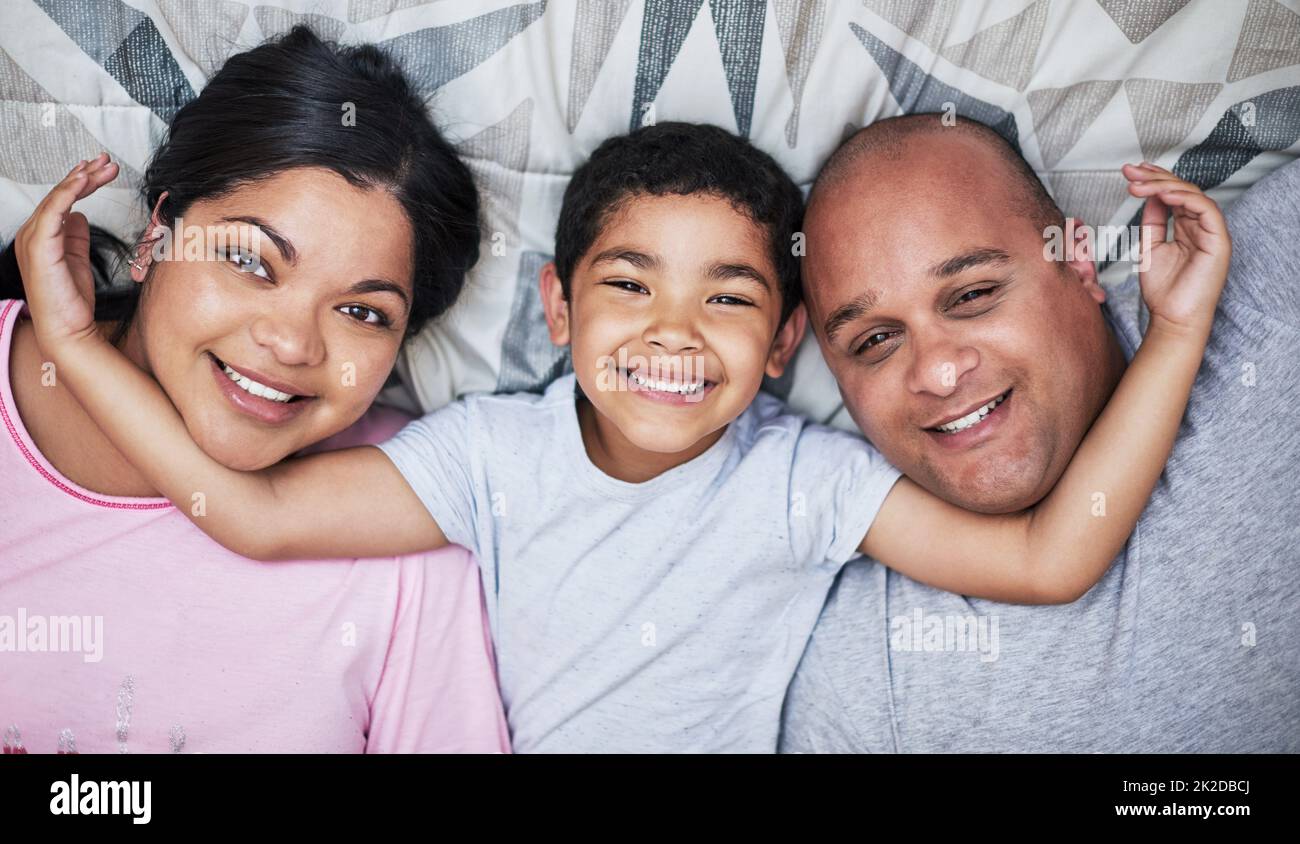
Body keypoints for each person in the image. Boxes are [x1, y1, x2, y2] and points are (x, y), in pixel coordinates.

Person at [16, 118, 1228, 752]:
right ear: (556, 305)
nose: (674, 332)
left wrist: (1172, 337)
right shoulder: (489, 460)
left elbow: (1047, 562)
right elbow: (256, 515)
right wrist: (73, 343)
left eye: (730, 298)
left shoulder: (800, 481)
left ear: (785, 342)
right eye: (629, 285)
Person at [0, 27, 509, 753]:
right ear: (154, 237)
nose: (294, 345)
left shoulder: (402, 514)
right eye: (251, 261)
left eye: (364, 312)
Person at [779, 113, 1299, 753]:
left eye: (972, 295)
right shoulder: (860, 690)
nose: (938, 373)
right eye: (876, 340)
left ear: (1078, 262)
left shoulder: (1258, 293)